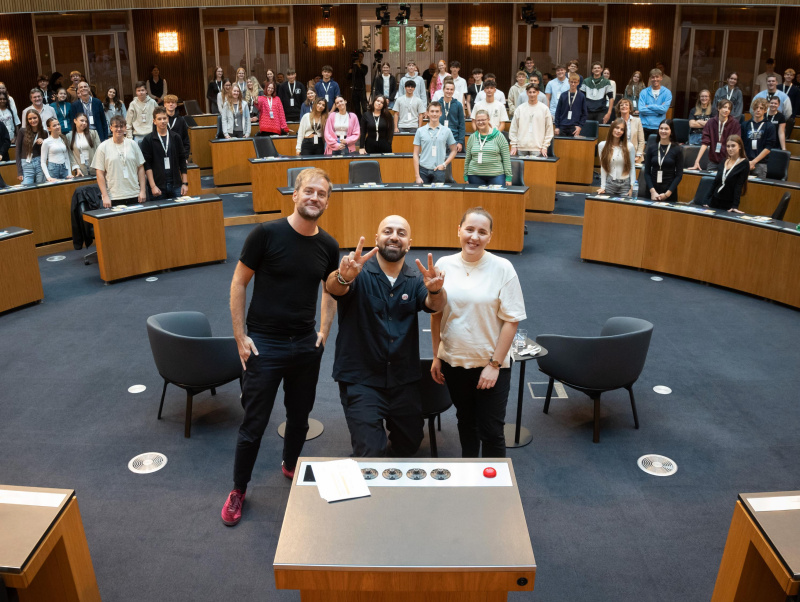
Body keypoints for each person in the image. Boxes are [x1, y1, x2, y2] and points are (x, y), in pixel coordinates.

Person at [221, 167, 339, 527]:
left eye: (321, 194)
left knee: (300, 418)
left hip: (305, 344)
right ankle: (239, 489)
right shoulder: (266, 234)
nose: (314, 198)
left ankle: (290, 465)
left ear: (327, 201)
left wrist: (323, 330)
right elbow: (238, 284)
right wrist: (240, 336)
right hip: (265, 345)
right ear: (295, 194)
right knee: (254, 424)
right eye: (309, 191)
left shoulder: (329, 246)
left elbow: (330, 289)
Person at [326, 217, 446, 457]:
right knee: (371, 452)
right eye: (388, 231)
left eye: (401, 233)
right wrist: (343, 277)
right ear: (377, 239)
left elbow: (435, 305)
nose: (394, 236)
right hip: (361, 378)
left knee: (411, 443)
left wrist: (436, 290)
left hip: (402, 378)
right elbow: (334, 288)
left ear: (408, 244)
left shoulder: (415, 279)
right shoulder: (357, 271)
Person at [430, 207, 526, 458]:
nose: (474, 237)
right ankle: (470, 477)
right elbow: (437, 314)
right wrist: (437, 355)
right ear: (458, 231)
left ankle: (495, 489)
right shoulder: (443, 265)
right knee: (466, 422)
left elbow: (512, 320)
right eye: (469, 229)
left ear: (490, 237)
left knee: (492, 430)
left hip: (491, 365)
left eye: (482, 232)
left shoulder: (503, 268)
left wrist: (494, 364)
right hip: (454, 361)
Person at [91, 115, 146, 208]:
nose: (119, 129)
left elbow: (140, 168)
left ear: (125, 128)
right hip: (114, 196)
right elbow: (99, 173)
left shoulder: (133, 144)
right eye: (116, 126)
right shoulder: (103, 147)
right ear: (111, 128)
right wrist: (105, 196)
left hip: (134, 194)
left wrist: (143, 191)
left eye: (121, 126)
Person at [141, 107, 188, 201]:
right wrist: (152, 186)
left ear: (168, 119)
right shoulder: (148, 140)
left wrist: (185, 183)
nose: (162, 121)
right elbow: (147, 165)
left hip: (176, 184)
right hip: (158, 185)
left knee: (178, 213)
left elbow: (182, 160)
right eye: (159, 119)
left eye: (164, 118)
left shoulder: (176, 137)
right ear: (154, 121)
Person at [413, 101, 457, 184]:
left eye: (437, 111)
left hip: (439, 171)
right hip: (423, 170)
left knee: (438, 197)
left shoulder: (447, 131)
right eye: (432, 111)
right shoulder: (420, 131)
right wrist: (417, 176)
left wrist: (444, 164)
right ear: (427, 113)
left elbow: (454, 150)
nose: (434, 114)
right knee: (423, 196)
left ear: (440, 113)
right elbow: (415, 154)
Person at [464, 110, 511, 186]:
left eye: (483, 120)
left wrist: (508, 177)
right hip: (474, 175)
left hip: (496, 175)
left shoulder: (499, 136)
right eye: (478, 120)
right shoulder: (472, 137)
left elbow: (506, 158)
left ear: (488, 119)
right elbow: (468, 159)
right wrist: (465, 176)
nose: (480, 122)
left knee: (496, 198)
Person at [702, 135, 749, 213]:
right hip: (715, 199)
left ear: (740, 146)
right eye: (728, 146)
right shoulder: (724, 161)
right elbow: (715, 182)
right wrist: (705, 200)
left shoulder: (744, 163)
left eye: (733, 146)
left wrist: (735, 206)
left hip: (728, 203)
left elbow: (739, 185)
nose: (730, 149)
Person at [693, 100, 741, 172]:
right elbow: (705, 143)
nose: (726, 110)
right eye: (724, 107)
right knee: (710, 181)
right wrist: (697, 160)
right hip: (713, 161)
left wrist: (733, 161)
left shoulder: (735, 124)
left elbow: (736, 144)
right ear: (718, 108)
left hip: (729, 161)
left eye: (729, 108)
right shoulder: (710, 122)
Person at [509, 83, 553, 157]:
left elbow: (549, 129)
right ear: (527, 93)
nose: (532, 94)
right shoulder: (520, 108)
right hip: (521, 147)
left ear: (538, 93)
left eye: (534, 92)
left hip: (538, 148)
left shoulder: (544, 109)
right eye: (530, 92)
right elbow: (514, 128)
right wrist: (513, 145)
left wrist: (545, 146)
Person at [644, 119, 683, 201]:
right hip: (652, 191)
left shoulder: (677, 149)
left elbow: (679, 175)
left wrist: (667, 194)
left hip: (669, 192)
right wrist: (653, 192)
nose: (663, 131)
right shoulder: (651, 148)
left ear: (671, 131)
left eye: (666, 129)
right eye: (661, 128)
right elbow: (647, 172)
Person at [597, 119, 635, 197]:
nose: (618, 131)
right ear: (612, 128)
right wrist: (603, 186)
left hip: (625, 184)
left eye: (622, 129)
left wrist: (632, 187)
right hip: (610, 183)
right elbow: (603, 167)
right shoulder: (602, 145)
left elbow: (632, 167)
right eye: (617, 128)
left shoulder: (629, 146)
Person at [744, 98, 775, 179]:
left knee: (758, 189)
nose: (758, 110)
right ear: (753, 109)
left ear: (765, 111)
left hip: (761, 163)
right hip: (745, 162)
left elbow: (768, 148)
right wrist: (747, 161)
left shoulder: (769, 126)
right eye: (756, 108)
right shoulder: (745, 125)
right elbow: (741, 144)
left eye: (761, 108)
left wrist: (754, 162)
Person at [638, 69, 672, 140]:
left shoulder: (667, 93)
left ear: (661, 78)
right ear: (650, 79)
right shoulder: (644, 92)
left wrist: (649, 106)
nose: (655, 79)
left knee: (656, 149)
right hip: (644, 126)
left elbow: (664, 110)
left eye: (657, 77)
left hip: (658, 127)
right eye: (653, 77)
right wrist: (658, 111)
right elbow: (641, 109)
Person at [15, 110, 47, 184]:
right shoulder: (22, 131)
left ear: (39, 118)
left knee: (41, 186)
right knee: (26, 187)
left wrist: (43, 143)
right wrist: (19, 172)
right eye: (30, 119)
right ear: (27, 120)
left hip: (40, 163)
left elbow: (46, 152)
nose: (32, 120)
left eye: (34, 118)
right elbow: (17, 150)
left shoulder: (44, 132)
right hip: (26, 163)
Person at [40, 117, 75, 181]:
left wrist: (69, 173)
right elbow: (43, 162)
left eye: (58, 124)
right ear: (49, 129)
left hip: (64, 168)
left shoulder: (63, 139)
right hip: (53, 169)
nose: (57, 127)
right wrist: (48, 177)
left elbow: (67, 157)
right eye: (54, 125)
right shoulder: (46, 142)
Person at [616, 98, 645, 164]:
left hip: (634, 156)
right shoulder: (615, 123)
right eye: (621, 105)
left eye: (626, 105)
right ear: (619, 109)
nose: (624, 106)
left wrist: (638, 155)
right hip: (619, 155)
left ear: (630, 108)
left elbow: (641, 141)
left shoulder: (637, 121)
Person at [440, 79, 466, 152]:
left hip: (454, 139)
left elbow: (462, 124)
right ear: (443, 89)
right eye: (447, 89)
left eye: (451, 89)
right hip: (440, 139)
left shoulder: (458, 105)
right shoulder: (438, 104)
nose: (449, 91)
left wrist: (460, 142)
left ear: (454, 91)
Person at [348, 52, 369, 118]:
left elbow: (363, 73)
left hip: (362, 89)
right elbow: (348, 77)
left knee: (364, 107)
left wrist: (358, 65)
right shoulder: (352, 66)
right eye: (358, 56)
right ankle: (359, 121)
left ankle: (365, 120)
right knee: (356, 108)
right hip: (354, 89)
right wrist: (350, 71)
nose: (359, 58)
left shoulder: (364, 67)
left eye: (361, 56)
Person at [780, 68, 798, 137]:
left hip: (789, 115)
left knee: (786, 134)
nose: (789, 76)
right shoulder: (778, 87)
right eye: (787, 74)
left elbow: (797, 104)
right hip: (778, 113)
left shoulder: (796, 89)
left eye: (791, 75)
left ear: (793, 77)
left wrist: (793, 116)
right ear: (784, 75)